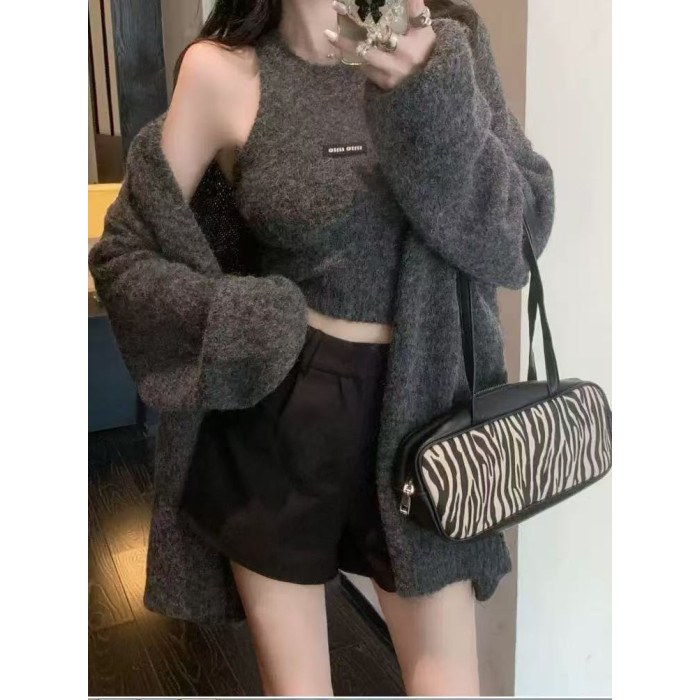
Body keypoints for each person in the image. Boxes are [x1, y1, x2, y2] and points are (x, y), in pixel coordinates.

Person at [90, 0, 555, 695]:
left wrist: (425, 92)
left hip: (425, 422)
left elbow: (516, 242)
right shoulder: (222, 72)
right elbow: (124, 252)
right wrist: (248, 321)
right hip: (281, 415)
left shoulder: (444, 45)